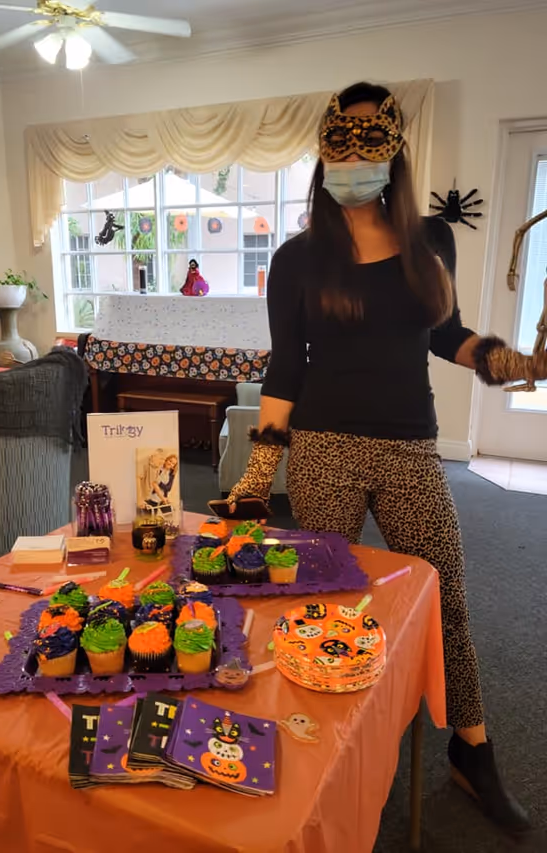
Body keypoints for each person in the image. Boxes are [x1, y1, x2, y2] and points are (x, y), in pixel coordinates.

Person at [227, 82, 547, 835]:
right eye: (340, 141)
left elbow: (447, 335)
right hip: (325, 448)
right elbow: (286, 368)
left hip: (409, 447)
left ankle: (472, 750)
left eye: (370, 141)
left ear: (395, 150)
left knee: (445, 595)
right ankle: (319, 743)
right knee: (321, 601)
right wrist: (258, 472)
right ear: (323, 150)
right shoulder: (298, 258)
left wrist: (522, 365)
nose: (353, 157)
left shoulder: (433, 239)